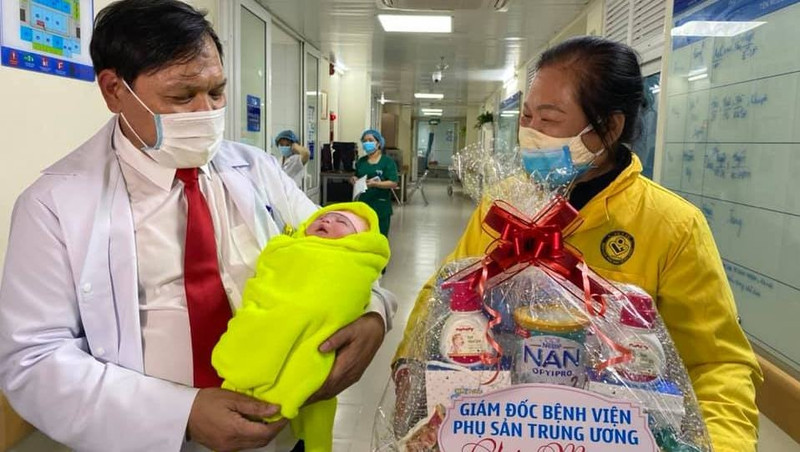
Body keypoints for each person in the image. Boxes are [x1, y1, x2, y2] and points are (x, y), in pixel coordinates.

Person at [0, 2, 396, 451]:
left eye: (217, 92)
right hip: (150, 435)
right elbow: (32, 360)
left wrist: (376, 312)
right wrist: (181, 414)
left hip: (280, 425)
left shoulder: (256, 168)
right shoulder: (54, 205)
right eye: (183, 96)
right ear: (114, 90)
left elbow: (347, 250)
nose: (206, 112)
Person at [393, 36, 761, 452]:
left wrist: (723, 445)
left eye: (548, 119)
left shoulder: (672, 225)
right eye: (527, 116)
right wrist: (409, 369)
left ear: (609, 127)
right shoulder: (501, 208)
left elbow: (718, 363)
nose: (530, 132)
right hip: (500, 430)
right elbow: (442, 297)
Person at [212, 202, 390, 452]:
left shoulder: (349, 258)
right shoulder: (289, 247)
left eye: (342, 222)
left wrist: (375, 316)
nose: (327, 221)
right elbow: (267, 278)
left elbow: (363, 280)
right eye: (324, 218)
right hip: (253, 337)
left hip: (309, 350)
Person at [350, 129, 398, 238]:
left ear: (378, 143)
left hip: (380, 206)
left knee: (379, 237)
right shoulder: (361, 161)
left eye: (370, 140)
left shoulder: (387, 162)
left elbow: (393, 183)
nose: (367, 143)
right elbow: (357, 176)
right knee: (364, 237)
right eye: (364, 141)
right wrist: (353, 179)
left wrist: (376, 184)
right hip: (363, 204)